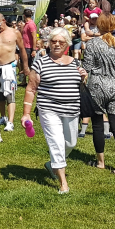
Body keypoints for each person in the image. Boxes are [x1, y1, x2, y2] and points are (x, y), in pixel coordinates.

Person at [20, 28, 86, 194]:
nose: (56, 44)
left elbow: (80, 86)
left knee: (71, 143)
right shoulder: (41, 62)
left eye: (60, 42)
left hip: (72, 110)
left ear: (67, 44)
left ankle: (51, 164)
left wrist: (84, 78)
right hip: (49, 109)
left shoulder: (75, 62)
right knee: (56, 142)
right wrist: (26, 113)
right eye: (53, 41)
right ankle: (63, 182)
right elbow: (31, 88)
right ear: (48, 43)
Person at [83, 12, 115, 174]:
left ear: (99, 25)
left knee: (97, 125)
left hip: (97, 87)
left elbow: (87, 67)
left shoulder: (93, 44)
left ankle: (100, 162)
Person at [0, 13, 30, 132]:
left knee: (9, 95)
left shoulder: (15, 33)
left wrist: (25, 66)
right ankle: (3, 116)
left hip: (9, 67)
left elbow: (22, 50)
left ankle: (11, 122)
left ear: (3, 20)